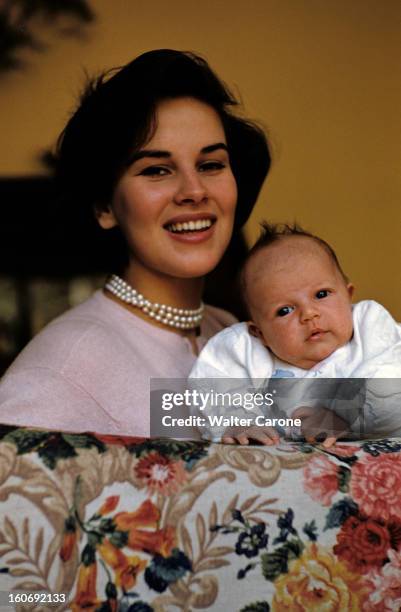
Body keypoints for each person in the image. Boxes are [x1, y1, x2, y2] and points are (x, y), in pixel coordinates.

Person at [0, 50, 270, 436]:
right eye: (156, 170)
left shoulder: (227, 330)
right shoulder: (62, 371)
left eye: (211, 165)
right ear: (104, 205)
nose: (194, 191)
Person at [189, 223, 401, 446]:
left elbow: (392, 376)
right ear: (259, 332)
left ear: (348, 296)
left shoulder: (369, 326)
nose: (309, 314)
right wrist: (237, 422)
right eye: (284, 310)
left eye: (321, 294)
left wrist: (344, 415)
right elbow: (214, 382)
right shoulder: (246, 351)